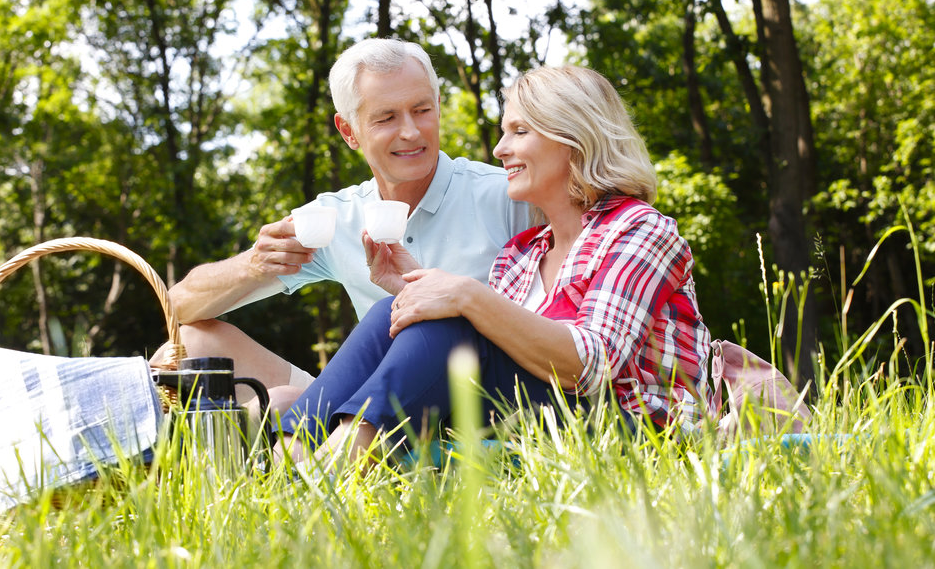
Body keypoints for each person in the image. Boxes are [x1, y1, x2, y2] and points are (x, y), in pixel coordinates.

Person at [275, 65, 713, 465]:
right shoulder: (523, 253)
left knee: (458, 318)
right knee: (388, 314)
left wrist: (466, 296)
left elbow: (592, 368)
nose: (501, 149)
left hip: (641, 433)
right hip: (544, 417)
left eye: (520, 131)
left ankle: (342, 459)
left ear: (575, 138)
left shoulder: (638, 229)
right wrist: (414, 285)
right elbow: (495, 351)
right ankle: (290, 453)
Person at [151, 39, 530, 403]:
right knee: (189, 345)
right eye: (386, 117)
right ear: (349, 131)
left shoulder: (508, 195)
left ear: (439, 107)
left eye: (422, 110)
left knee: (285, 404)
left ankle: (301, 445)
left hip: (482, 399)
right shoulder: (335, 217)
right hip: (368, 399)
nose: (411, 132)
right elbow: (178, 307)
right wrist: (253, 266)